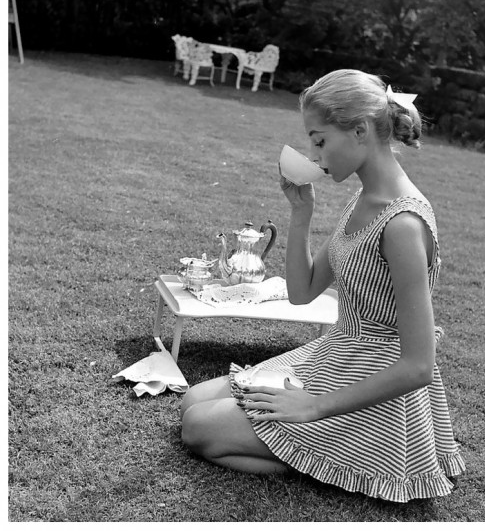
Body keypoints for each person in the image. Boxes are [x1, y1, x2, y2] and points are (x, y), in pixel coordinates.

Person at [180, 69, 466, 503]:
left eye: (319, 139)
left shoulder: (404, 224)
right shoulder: (363, 198)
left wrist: (311, 408)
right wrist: (301, 215)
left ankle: (325, 457)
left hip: (374, 389)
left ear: (360, 130)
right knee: (191, 403)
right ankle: (302, 450)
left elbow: (419, 365)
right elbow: (303, 291)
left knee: (198, 428)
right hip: (335, 356)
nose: (314, 153)